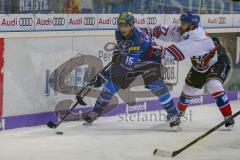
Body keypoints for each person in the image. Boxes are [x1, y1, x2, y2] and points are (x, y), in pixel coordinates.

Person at [78, 12, 181, 128]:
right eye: (120, 25)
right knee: (111, 85)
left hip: (150, 61)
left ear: (132, 25)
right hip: (132, 59)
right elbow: (121, 50)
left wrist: (103, 75)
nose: (122, 29)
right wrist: (116, 56)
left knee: (156, 86)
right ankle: (96, 112)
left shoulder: (138, 39)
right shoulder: (118, 33)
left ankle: (173, 114)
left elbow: (127, 65)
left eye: (125, 26)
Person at [143, 11, 234, 129]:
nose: (181, 25)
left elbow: (179, 52)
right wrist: (147, 32)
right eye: (181, 22)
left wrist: (159, 51)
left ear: (192, 25)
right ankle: (178, 114)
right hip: (200, 65)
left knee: (213, 85)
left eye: (184, 23)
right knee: (187, 91)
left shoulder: (197, 37)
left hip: (217, 62)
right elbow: (165, 31)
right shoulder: (186, 30)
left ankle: (228, 117)